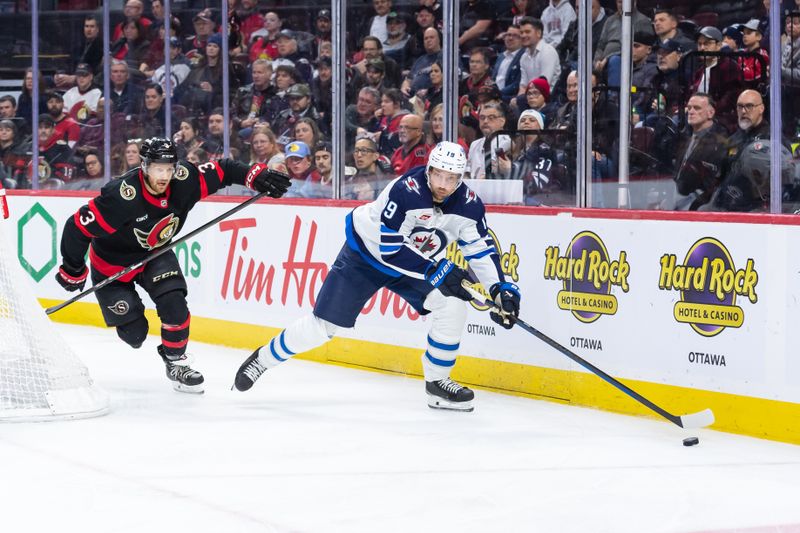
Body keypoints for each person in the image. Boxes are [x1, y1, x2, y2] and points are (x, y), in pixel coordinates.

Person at [233, 141, 522, 412]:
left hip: (415, 263)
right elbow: (390, 249)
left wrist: (500, 289)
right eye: (439, 176)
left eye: (452, 178)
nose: (444, 185)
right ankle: (263, 359)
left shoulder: (469, 204)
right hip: (366, 257)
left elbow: (480, 249)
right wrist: (437, 270)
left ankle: (437, 383)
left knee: (452, 305)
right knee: (322, 327)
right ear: (429, 170)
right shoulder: (406, 190)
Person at [55, 137, 291, 393]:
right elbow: (76, 227)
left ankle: (176, 363)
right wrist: (73, 269)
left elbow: (223, 170)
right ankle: (133, 319)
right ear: (144, 166)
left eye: (168, 168)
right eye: (158, 168)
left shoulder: (184, 179)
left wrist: (255, 176)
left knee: (174, 305)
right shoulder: (122, 196)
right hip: (112, 266)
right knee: (134, 336)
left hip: (154, 254)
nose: (164, 176)